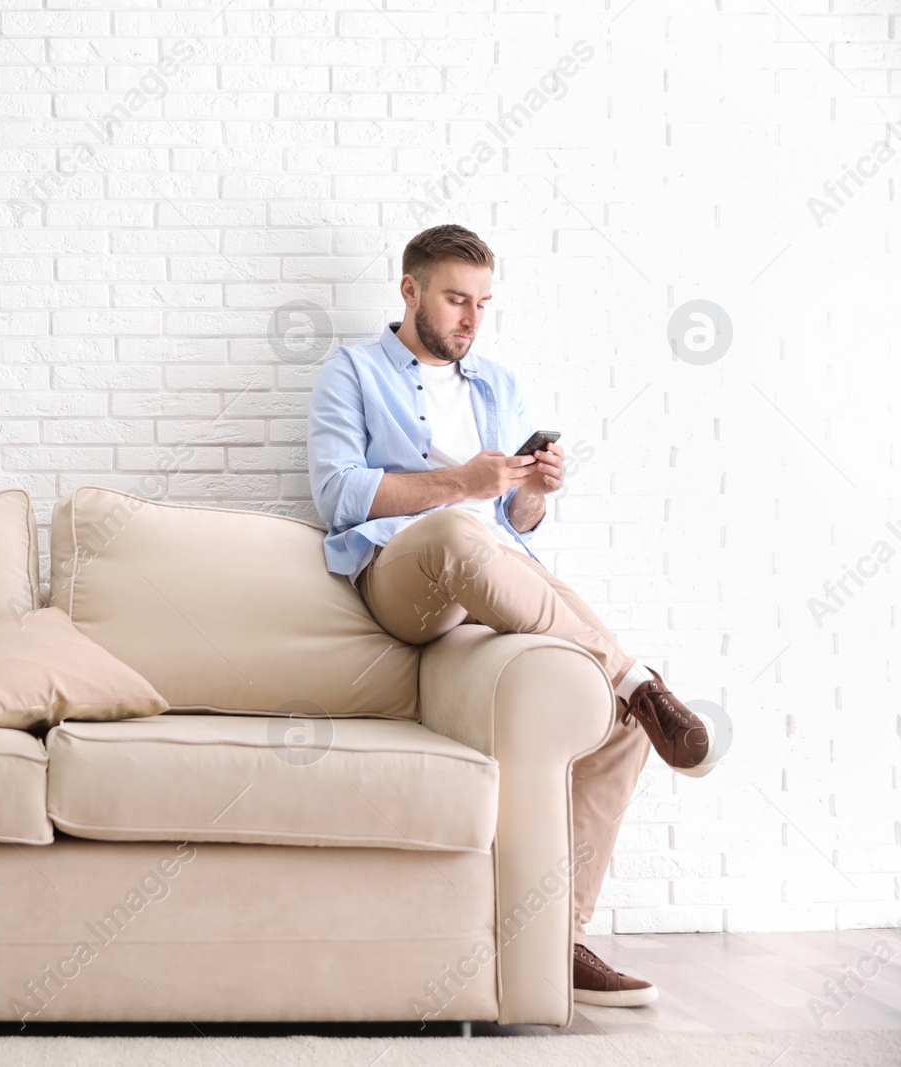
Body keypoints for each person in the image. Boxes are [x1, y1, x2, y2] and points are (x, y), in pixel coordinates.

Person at [306, 223, 720, 1009]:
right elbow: (336, 494)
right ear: (410, 290)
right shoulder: (351, 371)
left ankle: (558, 940)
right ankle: (639, 675)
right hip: (402, 574)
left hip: (489, 578)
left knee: (618, 720)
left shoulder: (495, 384)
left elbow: (516, 528)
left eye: (483, 303)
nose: (470, 318)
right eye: (456, 298)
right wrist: (462, 483)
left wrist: (533, 491)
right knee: (463, 529)